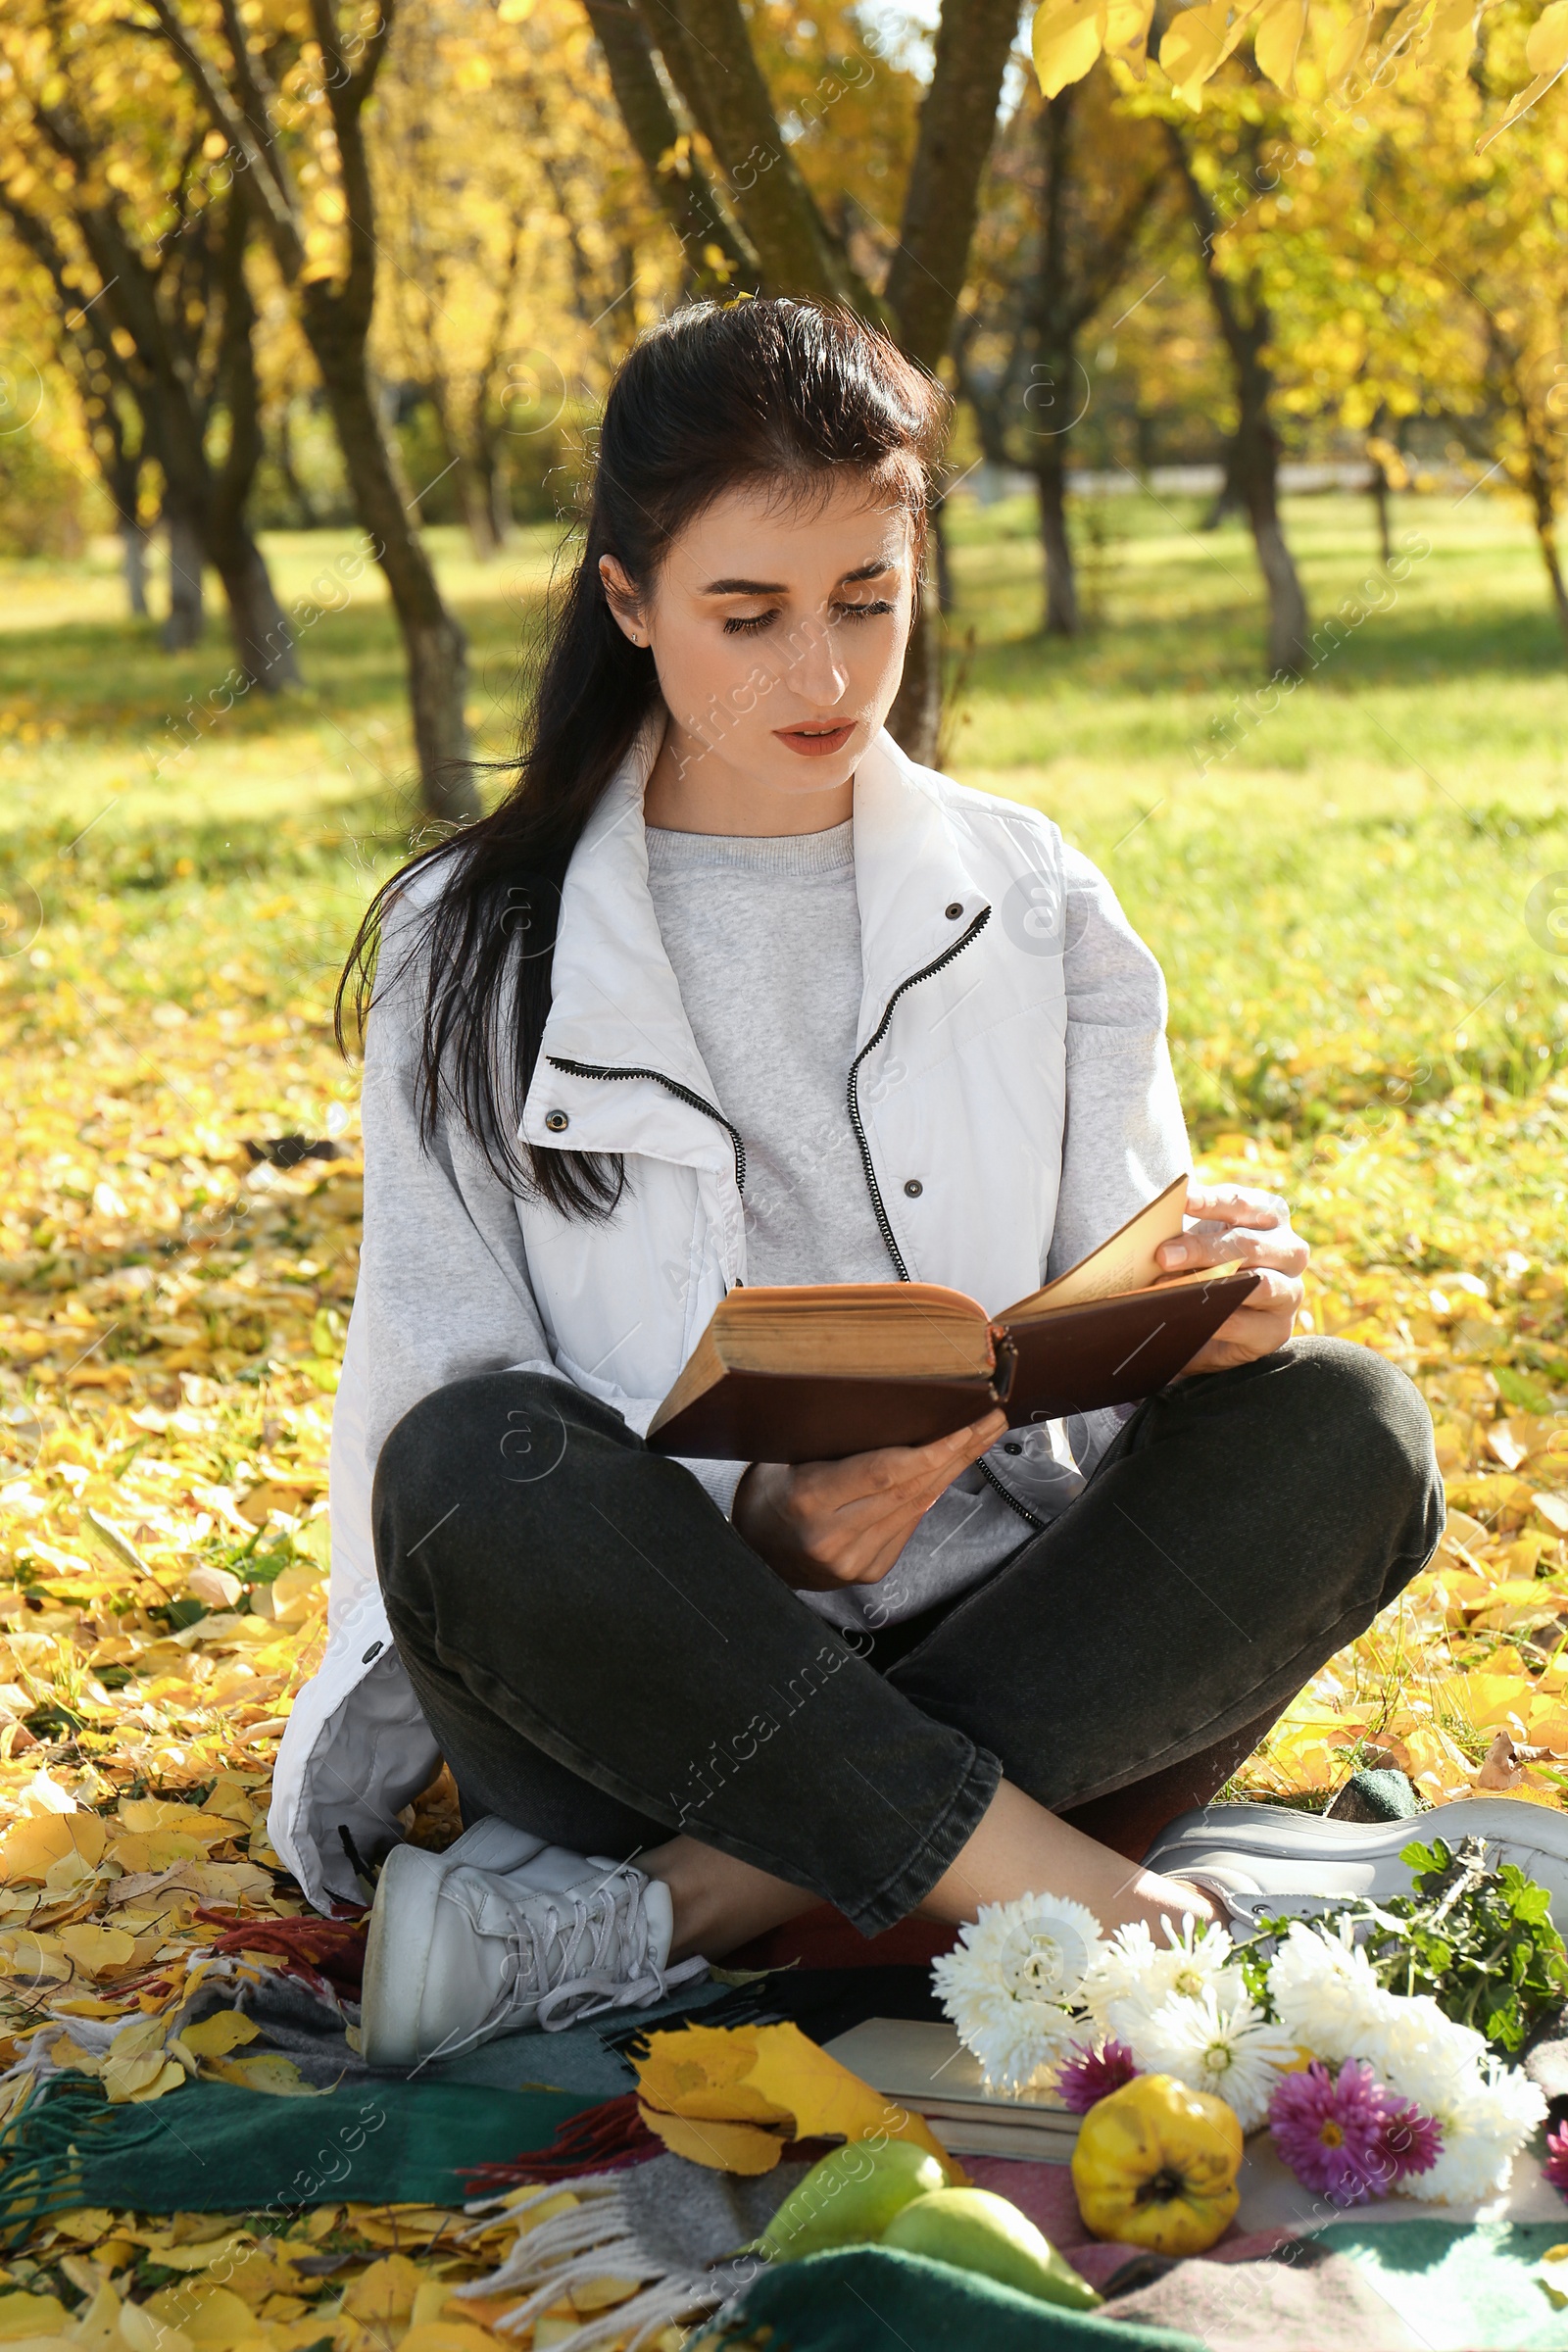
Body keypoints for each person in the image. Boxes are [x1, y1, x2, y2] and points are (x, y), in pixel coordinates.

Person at [268, 298, 1453, 2071]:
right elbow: (450, 1411)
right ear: (626, 601)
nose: (821, 676)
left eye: (869, 602)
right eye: (747, 616)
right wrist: (759, 1532)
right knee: (472, 1465)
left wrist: (1211, 1309)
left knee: (1353, 1420)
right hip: (638, 1702)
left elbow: (1108, 1315)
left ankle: (674, 1920)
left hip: (1019, 1651)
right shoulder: (472, 944)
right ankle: (1089, 1898)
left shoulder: (1034, 895)